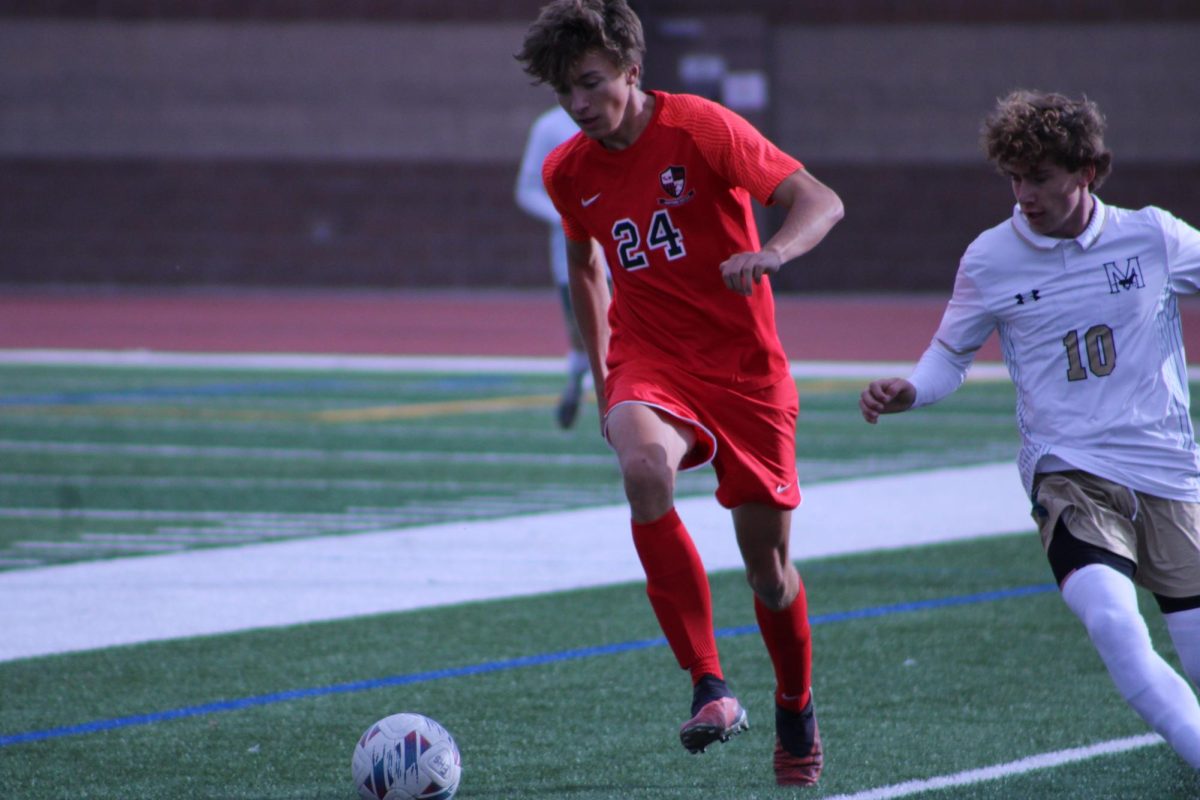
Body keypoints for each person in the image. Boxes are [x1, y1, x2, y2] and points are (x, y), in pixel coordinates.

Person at [517, 0, 844, 786]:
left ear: (632, 70)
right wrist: (605, 386)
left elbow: (819, 201)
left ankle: (794, 702)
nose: (578, 106)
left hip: (745, 373)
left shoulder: (700, 128)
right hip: (650, 360)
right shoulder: (567, 170)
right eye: (565, 93)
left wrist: (772, 252)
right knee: (641, 468)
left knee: (769, 571)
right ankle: (709, 684)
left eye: (591, 84)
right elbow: (586, 266)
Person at [860, 89, 1200, 769]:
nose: (1024, 195)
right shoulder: (990, 258)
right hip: (1068, 471)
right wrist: (911, 390)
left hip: (1168, 472)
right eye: (1014, 178)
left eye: (1039, 177)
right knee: (1112, 623)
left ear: (1087, 172)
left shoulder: (1154, 236)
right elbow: (949, 356)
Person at [515, 105, 595, 428]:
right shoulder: (549, 126)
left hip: (625, 249)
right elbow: (527, 190)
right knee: (583, 333)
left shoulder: (628, 119)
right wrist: (567, 217)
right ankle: (577, 382)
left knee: (628, 331)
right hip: (572, 255)